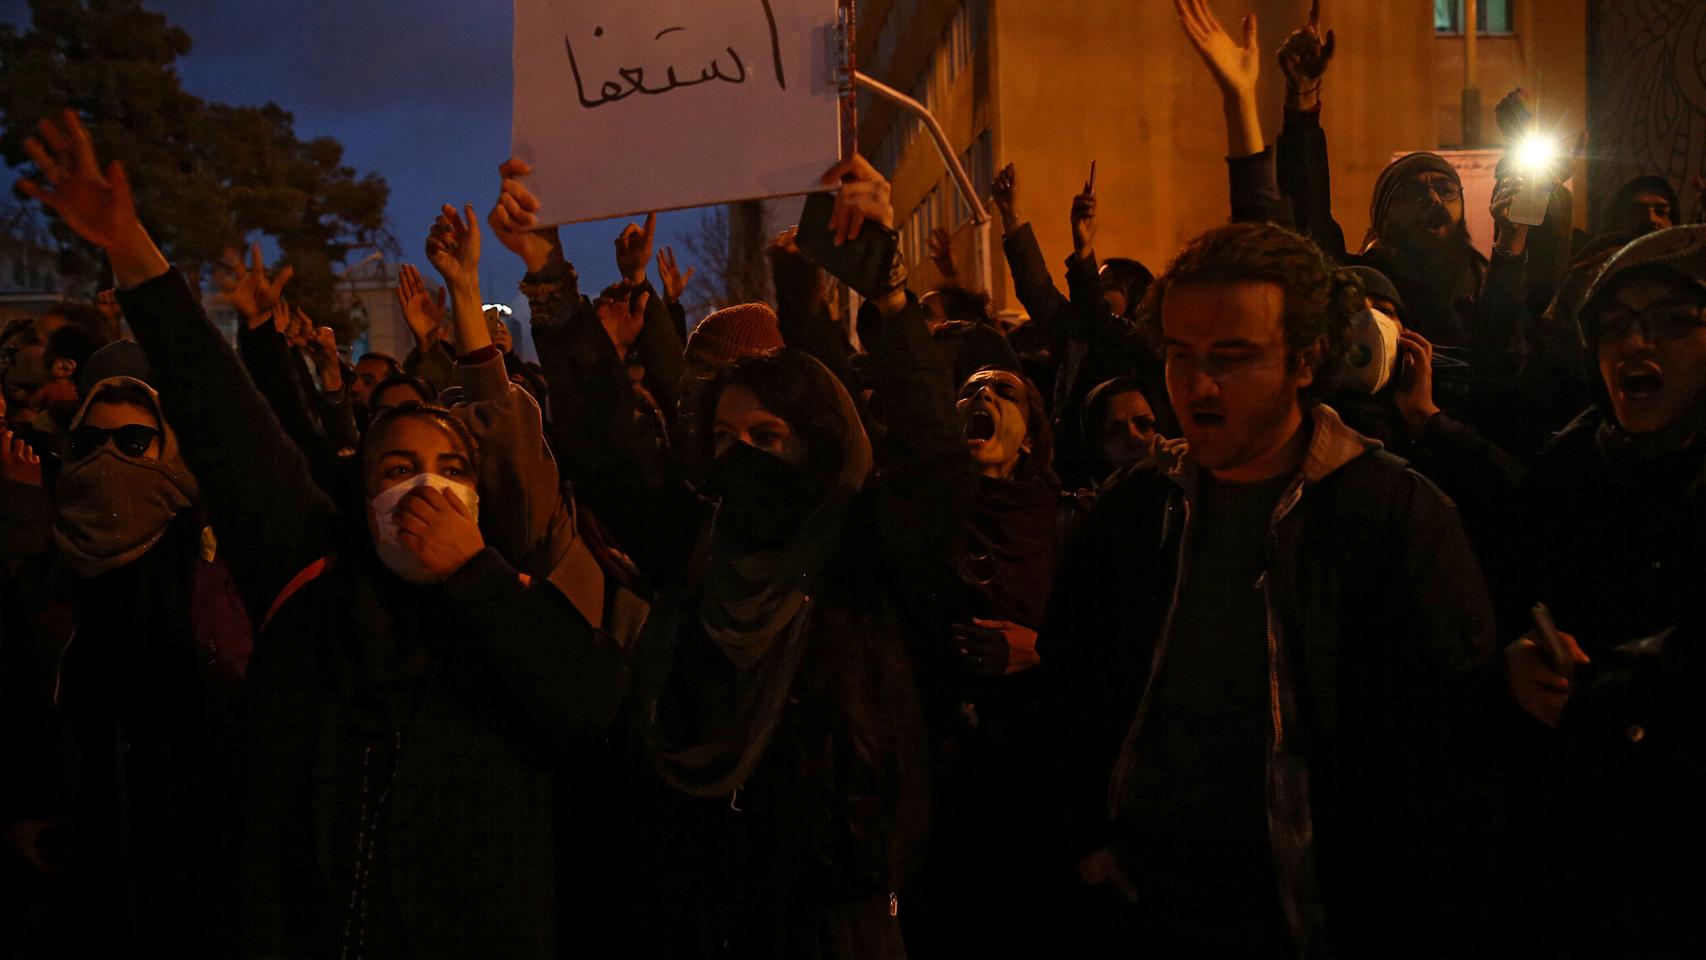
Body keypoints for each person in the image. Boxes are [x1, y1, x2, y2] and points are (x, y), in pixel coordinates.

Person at [18, 108, 627, 959]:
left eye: (449, 468)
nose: (425, 485)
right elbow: (224, 414)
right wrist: (130, 246)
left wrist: (478, 580)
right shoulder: (310, 577)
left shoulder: (514, 607)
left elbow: (590, 702)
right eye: (394, 467)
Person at [497, 151, 945, 957]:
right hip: (700, 897)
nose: (745, 459)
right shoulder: (701, 545)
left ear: (815, 445)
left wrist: (888, 294)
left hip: (830, 911)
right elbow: (608, 443)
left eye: (768, 439)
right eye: (726, 439)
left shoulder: (862, 550)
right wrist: (549, 278)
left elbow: (931, 455)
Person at [1044, 219, 1500, 957]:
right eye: (1180, 355)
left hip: (1316, 916)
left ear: (1305, 359)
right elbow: (1068, 688)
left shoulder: (1392, 518)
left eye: (1231, 357)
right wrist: (1086, 839)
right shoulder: (1135, 511)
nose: (1196, 385)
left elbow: (1449, 749)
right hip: (1144, 905)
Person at [1504, 223, 1706, 957]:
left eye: (1672, 321)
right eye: (1613, 326)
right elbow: (1511, 598)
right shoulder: (1564, 475)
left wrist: (1625, 697)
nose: (1634, 343)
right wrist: (1516, 660)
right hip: (1586, 861)